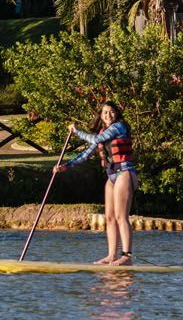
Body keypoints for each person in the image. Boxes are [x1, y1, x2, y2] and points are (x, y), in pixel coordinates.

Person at [55, 101, 137, 265]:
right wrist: (67, 166)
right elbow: (86, 154)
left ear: (117, 114)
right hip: (111, 175)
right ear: (101, 115)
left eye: (112, 111)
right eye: (105, 112)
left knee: (121, 216)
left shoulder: (119, 127)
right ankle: (111, 256)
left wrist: (76, 131)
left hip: (124, 172)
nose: (109, 115)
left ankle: (126, 257)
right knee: (109, 217)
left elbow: (99, 138)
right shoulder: (103, 131)